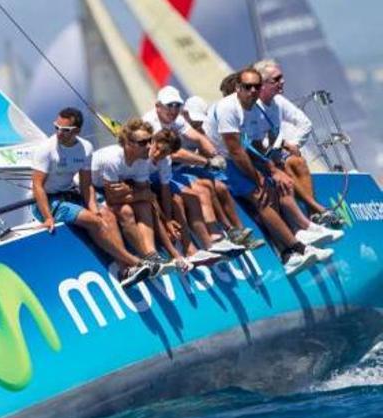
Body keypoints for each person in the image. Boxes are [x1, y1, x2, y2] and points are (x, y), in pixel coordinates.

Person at [204, 68, 333, 275]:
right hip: (219, 158)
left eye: (257, 86)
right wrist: (258, 178)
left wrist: (272, 169)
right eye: (248, 87)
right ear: (238, 88)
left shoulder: (255, 109)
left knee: (276, 185)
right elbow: (236, 151)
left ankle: (300, 235)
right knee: (260, 195)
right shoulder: (229, 108)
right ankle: (295, 250)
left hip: (238, 154)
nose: (253, 91)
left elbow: (254, 144)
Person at [31, 107, 156, 288]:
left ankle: (125, 271)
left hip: (70, 195)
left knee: (106, 215)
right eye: (56, 127)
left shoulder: (86, 148)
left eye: (65, 130)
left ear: (77, 131)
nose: (59, 132)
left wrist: (94, 208)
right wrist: (48, 217)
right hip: (48, 201)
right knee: (94, 221)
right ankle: (137, 262)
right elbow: (37, 186)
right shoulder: (46, 149)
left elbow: (85, 184)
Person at [143, 87, 251, 256]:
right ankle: (206, 244)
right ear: (158, 106)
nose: (173, 109)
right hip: (149, 174)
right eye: (169, 105)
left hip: (165, 169)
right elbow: (171, 152)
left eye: (177, 105)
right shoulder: (151, 123)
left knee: (208, 186)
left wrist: (215, 156)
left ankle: (219, 236)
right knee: (193, 195)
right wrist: (207, 162)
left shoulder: (175, 118)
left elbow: (199, 138)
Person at [254, 59, 343, 227]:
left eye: (282, 77)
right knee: (285, 166)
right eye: (277, 79)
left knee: (298, 161)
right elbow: (254, 137)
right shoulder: (253, 106)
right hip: (258, 156)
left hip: (276, 153)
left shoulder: (278, 101)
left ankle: (314, 216)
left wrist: (293, 144)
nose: (283, 81)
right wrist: (283, 144)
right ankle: (317, 209)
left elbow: (305, 123)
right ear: (263, 84)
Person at [92, 118, 181, 274]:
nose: (149, 146)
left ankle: (152, 255)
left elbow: (147, 196)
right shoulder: (112, 159)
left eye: (149, 140)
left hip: (118, 187)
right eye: (142, 143)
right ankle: (136, 262)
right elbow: (114, 199)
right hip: (91, 187)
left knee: (145, 205)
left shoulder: (142, 159)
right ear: (128, 144)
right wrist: (140, 194)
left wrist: (165, 218)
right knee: (125, 211)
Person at [181, 95, 265, 250]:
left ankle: (241, 233)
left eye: (199, 120)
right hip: (178, 171)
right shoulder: (178, 127)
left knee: (222, 187)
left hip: (192, 169)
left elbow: (208, 149)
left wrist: (213, 157)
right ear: (184, 113)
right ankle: (229, 229)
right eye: (193, 119)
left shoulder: (200, 128)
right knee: (213, 186)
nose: (196, 123)